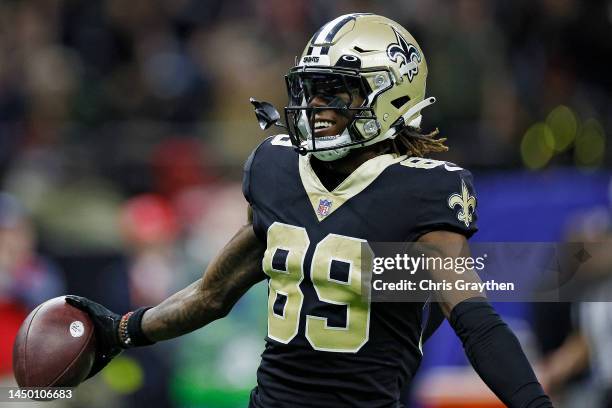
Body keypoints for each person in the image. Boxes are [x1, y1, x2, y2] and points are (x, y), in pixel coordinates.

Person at [65, 14, 552, 408]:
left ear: (391, 95)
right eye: (309, 90)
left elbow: (474, 320)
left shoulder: (420, 190)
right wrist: (124, 329)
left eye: (334, 91)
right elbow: (212, 295)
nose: (313, 105)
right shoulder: (277, 169)